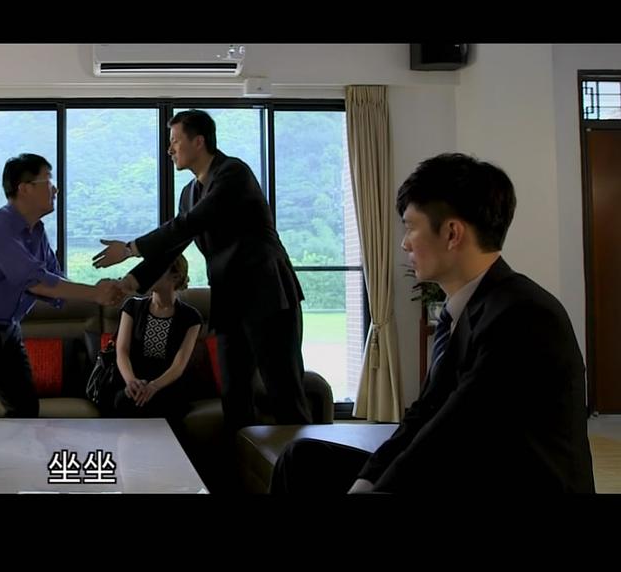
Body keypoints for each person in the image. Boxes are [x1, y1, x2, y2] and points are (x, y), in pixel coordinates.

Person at [270, 153, 595, 494]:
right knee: (303, 460)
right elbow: (424, 416)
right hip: (466, 470)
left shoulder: (523, 316)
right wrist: (366, 480)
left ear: (452, 233)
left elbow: (449, 436)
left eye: (411, 227)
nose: (404, 243)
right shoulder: (466, 309)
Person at [93, 109, 311, 431]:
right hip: (228, 302)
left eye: (175, 141)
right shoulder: (188, 193)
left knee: (285, 392)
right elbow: (172, 248)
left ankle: (300, 462)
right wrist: (128, 283)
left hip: (267, 296)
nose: (170, 149)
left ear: (199, 141)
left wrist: (128, 248)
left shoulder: (233, 173)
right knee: (234, 396)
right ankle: (241, 463)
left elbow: (191, 223)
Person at [0, 153, 124, 418]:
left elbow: (54, 278)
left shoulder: (37, 232)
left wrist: (106, 289)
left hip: (6, 329)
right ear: (24, 188)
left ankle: (11, 448)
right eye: (48, 180)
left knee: (25, 408)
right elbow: (35, 281)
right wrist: (95, 293)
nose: (55, 189)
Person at [112, 255, 202, 419]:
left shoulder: (191, 317)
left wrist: (154, 386)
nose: (147, 276)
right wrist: (131, 381)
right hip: (134, 379)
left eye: (155, 270)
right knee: (124, 400)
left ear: (176, 277)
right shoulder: (132, 306)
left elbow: (179, 365)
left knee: (166, 404)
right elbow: (122, 351)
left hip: (167, 383)